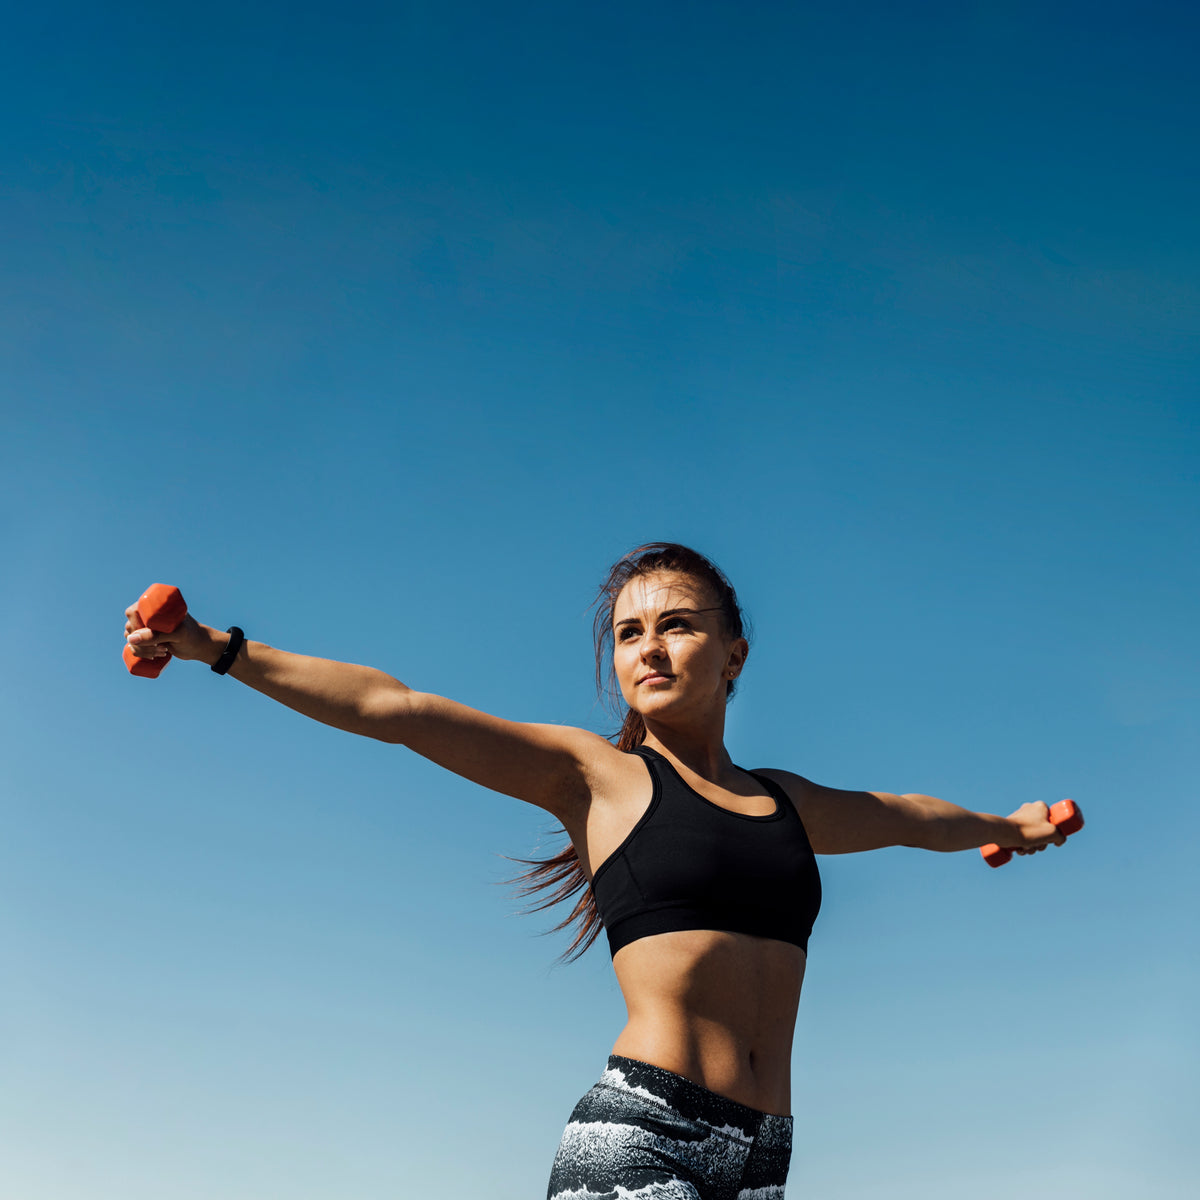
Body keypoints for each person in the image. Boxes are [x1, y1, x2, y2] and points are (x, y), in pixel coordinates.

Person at [123, 543, 1071, 1199]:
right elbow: (397, 707)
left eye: (678, 625)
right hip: (643, 1132)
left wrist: (1011, 827)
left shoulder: (787, 802)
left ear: (734, 653)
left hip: (763, 1156)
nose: (649, 647)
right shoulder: (598, 778)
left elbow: (908, 818)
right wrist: (220, 649)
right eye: (628, 632)